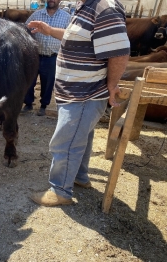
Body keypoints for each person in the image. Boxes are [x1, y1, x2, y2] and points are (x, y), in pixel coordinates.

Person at [28, 0, 130, 206]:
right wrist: (49, 31)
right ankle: (79, 177)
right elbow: (76, 37)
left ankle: (60, 191)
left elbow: (119, 51)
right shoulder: (87, 6)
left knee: (65, 142)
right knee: (80, 137)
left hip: (85, 93)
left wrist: (112, 85)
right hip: (78, 92)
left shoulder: (104, 8)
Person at [21, 0, 71, 116]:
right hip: (34, 56)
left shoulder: (66, 17)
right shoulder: (37, 14)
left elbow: (70, 36)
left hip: (52, 57)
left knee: (48, 82)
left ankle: (44, 105)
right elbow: (25, 29)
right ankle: (28, 103)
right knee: (29, 80)